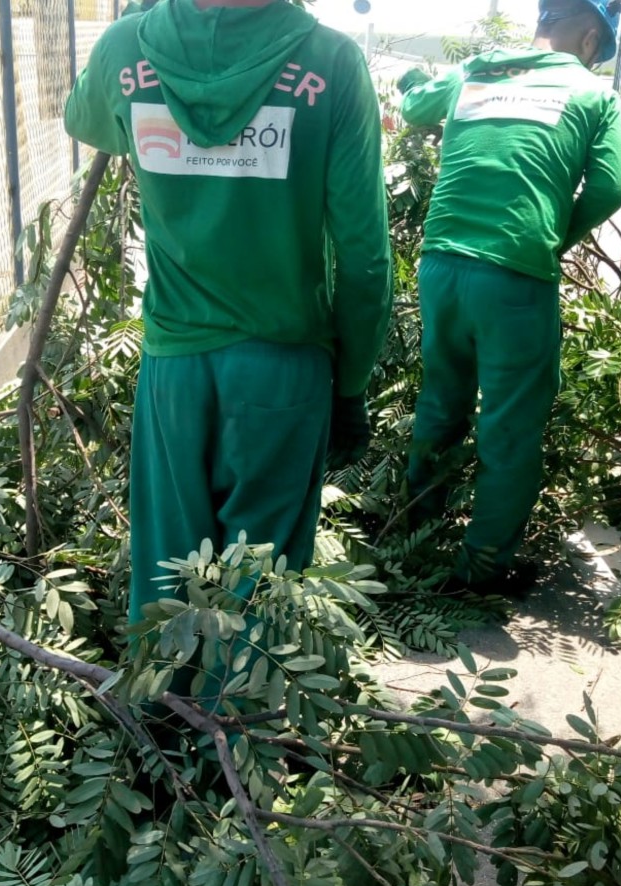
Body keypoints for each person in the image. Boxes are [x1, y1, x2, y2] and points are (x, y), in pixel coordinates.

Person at [64, 0, 392, 677]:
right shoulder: (332, 64)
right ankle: (238, 755)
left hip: (175, 368)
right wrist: (352, 386)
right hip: (284, 369)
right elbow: (363, 256)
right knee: (258, 578)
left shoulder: (125, 47)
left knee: (165, 567)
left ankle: (158, 742)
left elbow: (84, 119)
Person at [398, 0, 621, 597]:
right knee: (510, 428)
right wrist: (555, 238)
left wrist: (410, 80)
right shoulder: (593, 93)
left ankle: (411, 537)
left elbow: (413, 106)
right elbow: (613, 185)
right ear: (589, 34)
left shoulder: (479, 68)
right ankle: (477, 573)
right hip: (516, 279)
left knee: (440, 402)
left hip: (441, 264)